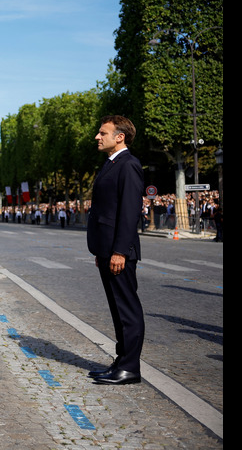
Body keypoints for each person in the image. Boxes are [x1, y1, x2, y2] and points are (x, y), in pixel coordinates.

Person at [86, 115, 145, 386]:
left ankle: (130, 368)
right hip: (108, 250)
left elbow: (129, 212)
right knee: (117, 310)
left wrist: (120, 251)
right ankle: (121, 362)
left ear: (119, 136)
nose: (97, 137)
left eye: (102, 133)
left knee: (127, 310)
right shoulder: (111, 164)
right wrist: (102, 252)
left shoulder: (129, 165)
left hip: (120, 251)